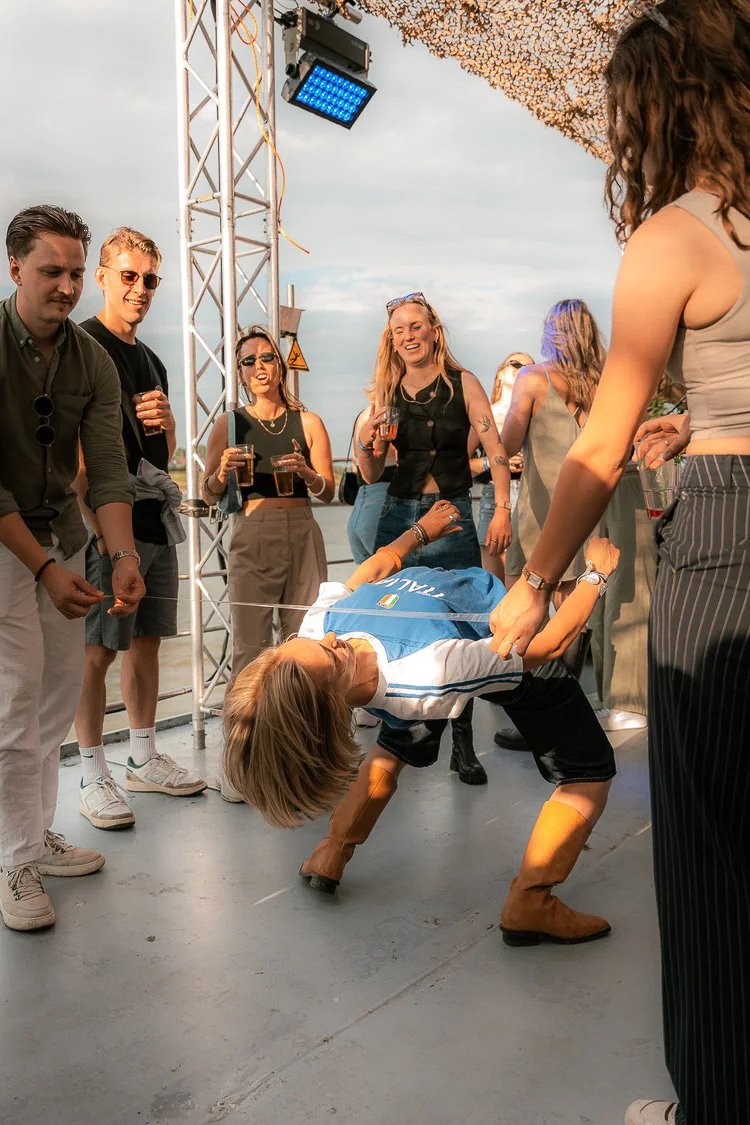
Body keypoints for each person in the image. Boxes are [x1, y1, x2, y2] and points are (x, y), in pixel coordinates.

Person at [489, 3, 750, 1121]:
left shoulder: (678, 233)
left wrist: (535, 581)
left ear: (660, 101)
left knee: (710, 851)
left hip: (728, 541)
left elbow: (598, 447)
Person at [223, 500, 621, 946]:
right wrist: (595, 576)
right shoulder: (424, 676)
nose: (335, 639)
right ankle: (532, 900)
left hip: (417, 667)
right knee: (587, 772)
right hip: (498, 646)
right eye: (334, 656)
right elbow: (545, 646)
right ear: (331, 707)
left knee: (393, 747)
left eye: (308, 642)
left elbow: (364, 575)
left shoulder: (317, 634)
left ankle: (330, 852)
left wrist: (418, 534)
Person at [0, 204, 144, 932]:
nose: (67, 286)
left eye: (76, 273)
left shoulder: (93, 361)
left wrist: (120, 556)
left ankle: (34, 834)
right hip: (1, 540)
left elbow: (111, 471)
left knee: (54, 696)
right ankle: (16, 859)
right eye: (51, 271)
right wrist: (46, 571)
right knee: (15, 697)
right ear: (15, 266)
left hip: (59, 532)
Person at [72, 227, 206, 831]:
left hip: (153, 518)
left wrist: (170, 422)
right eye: (128, 276)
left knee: (149, 640)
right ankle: (90, 770)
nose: (141, 289)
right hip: (106, 524)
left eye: (150, 279)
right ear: (101, 276)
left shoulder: (150, 358)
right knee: (95, 650)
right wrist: (100, 534)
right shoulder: (82, 345)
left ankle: (144, 754)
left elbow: (164, 451)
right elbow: (78, 455)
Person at [357, 292, 515, 785]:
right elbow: (368, 472)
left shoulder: (463, 383)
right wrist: (370, 440)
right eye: (399, 329)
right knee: (389, 615)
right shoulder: (386, 393)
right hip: (399, 517)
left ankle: (463, 744)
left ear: (433, 330)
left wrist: (503, 511)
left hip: (451, 515)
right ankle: (396, 740)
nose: (408, 335)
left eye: (416, 326)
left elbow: (497, 450)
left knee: (460, 625)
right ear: (392, 339)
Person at [492, 301, 605, 751]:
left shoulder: (533, 377)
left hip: (542, 512)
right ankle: (569, 703)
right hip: (591, 506)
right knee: (574, 603)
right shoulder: (600, 384)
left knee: (530, 605)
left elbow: (510, 441)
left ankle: (538, 715)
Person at [202, 326, 334, 678]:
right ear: (241, 373)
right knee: (251, 647)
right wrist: (221, 473)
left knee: (305, 643)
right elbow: (207, 493)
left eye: (266, 357)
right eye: (248, 361)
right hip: (253, 531)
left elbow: (328, 491)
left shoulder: (308, 422)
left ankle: (302, 729)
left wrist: (307, 473)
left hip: (303, 531)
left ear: (280, 366)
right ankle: (246, 733)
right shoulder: (229, 424)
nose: (258, 366)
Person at [471, 352, 532, 579]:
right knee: (495, 581)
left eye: (530, 367)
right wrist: (495, 461)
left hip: (531, 494)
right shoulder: (484, 414)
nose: (522, 369)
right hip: (495, 494)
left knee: (530, 578)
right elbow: (462, 462)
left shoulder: (538, 414)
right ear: (500, 374)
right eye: (516, 364)